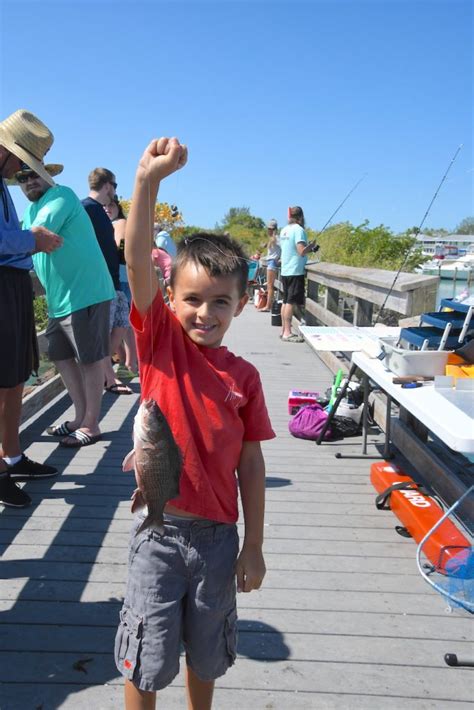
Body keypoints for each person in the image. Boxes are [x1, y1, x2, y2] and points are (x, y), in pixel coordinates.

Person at [115, 136, 275, 710]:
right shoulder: (158, 342)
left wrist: (252, 546)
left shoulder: (247, 378)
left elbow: (252, 464)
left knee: (206, 655)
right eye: (191, 299)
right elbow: (136, 260)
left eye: (220, 303)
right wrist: (144, 181)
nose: (204, 314)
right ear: (171, 299)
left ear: (241, 304)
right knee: (146, 654)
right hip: (158, 534)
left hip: (216, 540)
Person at [17, 161, 117, 448]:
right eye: (22, 178)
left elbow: (35, 234)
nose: (28, 181)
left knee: (90, 359)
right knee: (60, 355)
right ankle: (79, 416)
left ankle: (91, 423)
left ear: (47, 174)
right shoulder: (30, 209)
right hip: (59, 299)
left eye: (34, 174)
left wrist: (15, 240)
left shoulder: (62, 196)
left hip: (85, 292)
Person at [0, 109, 63, 508]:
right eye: (23, 160)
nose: (23, 169)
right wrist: (31, 240)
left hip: (11, 285)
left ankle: (12, 456)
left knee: (14, 378)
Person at [83, 168, 132, 394]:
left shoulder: (100, 212)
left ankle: (105, 372)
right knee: (103, 332)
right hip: (99, 284)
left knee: (122, 324)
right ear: (108, 186)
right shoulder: (85, 209)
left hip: (113, 282)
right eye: (115, 186)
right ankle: (109, 378)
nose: (114, 191)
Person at [104, 196, 138, 377]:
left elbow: (120, 247)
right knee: (115, 322)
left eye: (111, 205)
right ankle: (124, 361)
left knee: (124, 322)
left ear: (118, 208)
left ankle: (131, 364)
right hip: (112, 278)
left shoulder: (120, 222)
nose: (107, 209)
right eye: (104, 206)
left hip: (122, 278)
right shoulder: (106, 224)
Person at [279, 205, 318, 342]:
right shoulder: (299, 230)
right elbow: (301, 251)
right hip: (295, 271)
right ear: (301, 217)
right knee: (290, 302)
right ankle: (288, 332)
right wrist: (312, 248)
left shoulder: (284, 230)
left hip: (285, 270)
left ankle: (284, 329)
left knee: (285, 301)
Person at [257, 218, 281, 312]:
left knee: (270, 286)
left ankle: (268, 306)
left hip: (273, 263)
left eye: (271, 229)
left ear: (274, 229)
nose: (269, 230)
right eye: (268, 228)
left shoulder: (278, 239)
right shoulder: (271, 239)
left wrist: (281, 259)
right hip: (270, 261)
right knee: (269, 285)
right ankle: (268, 305)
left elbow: (284, 248)